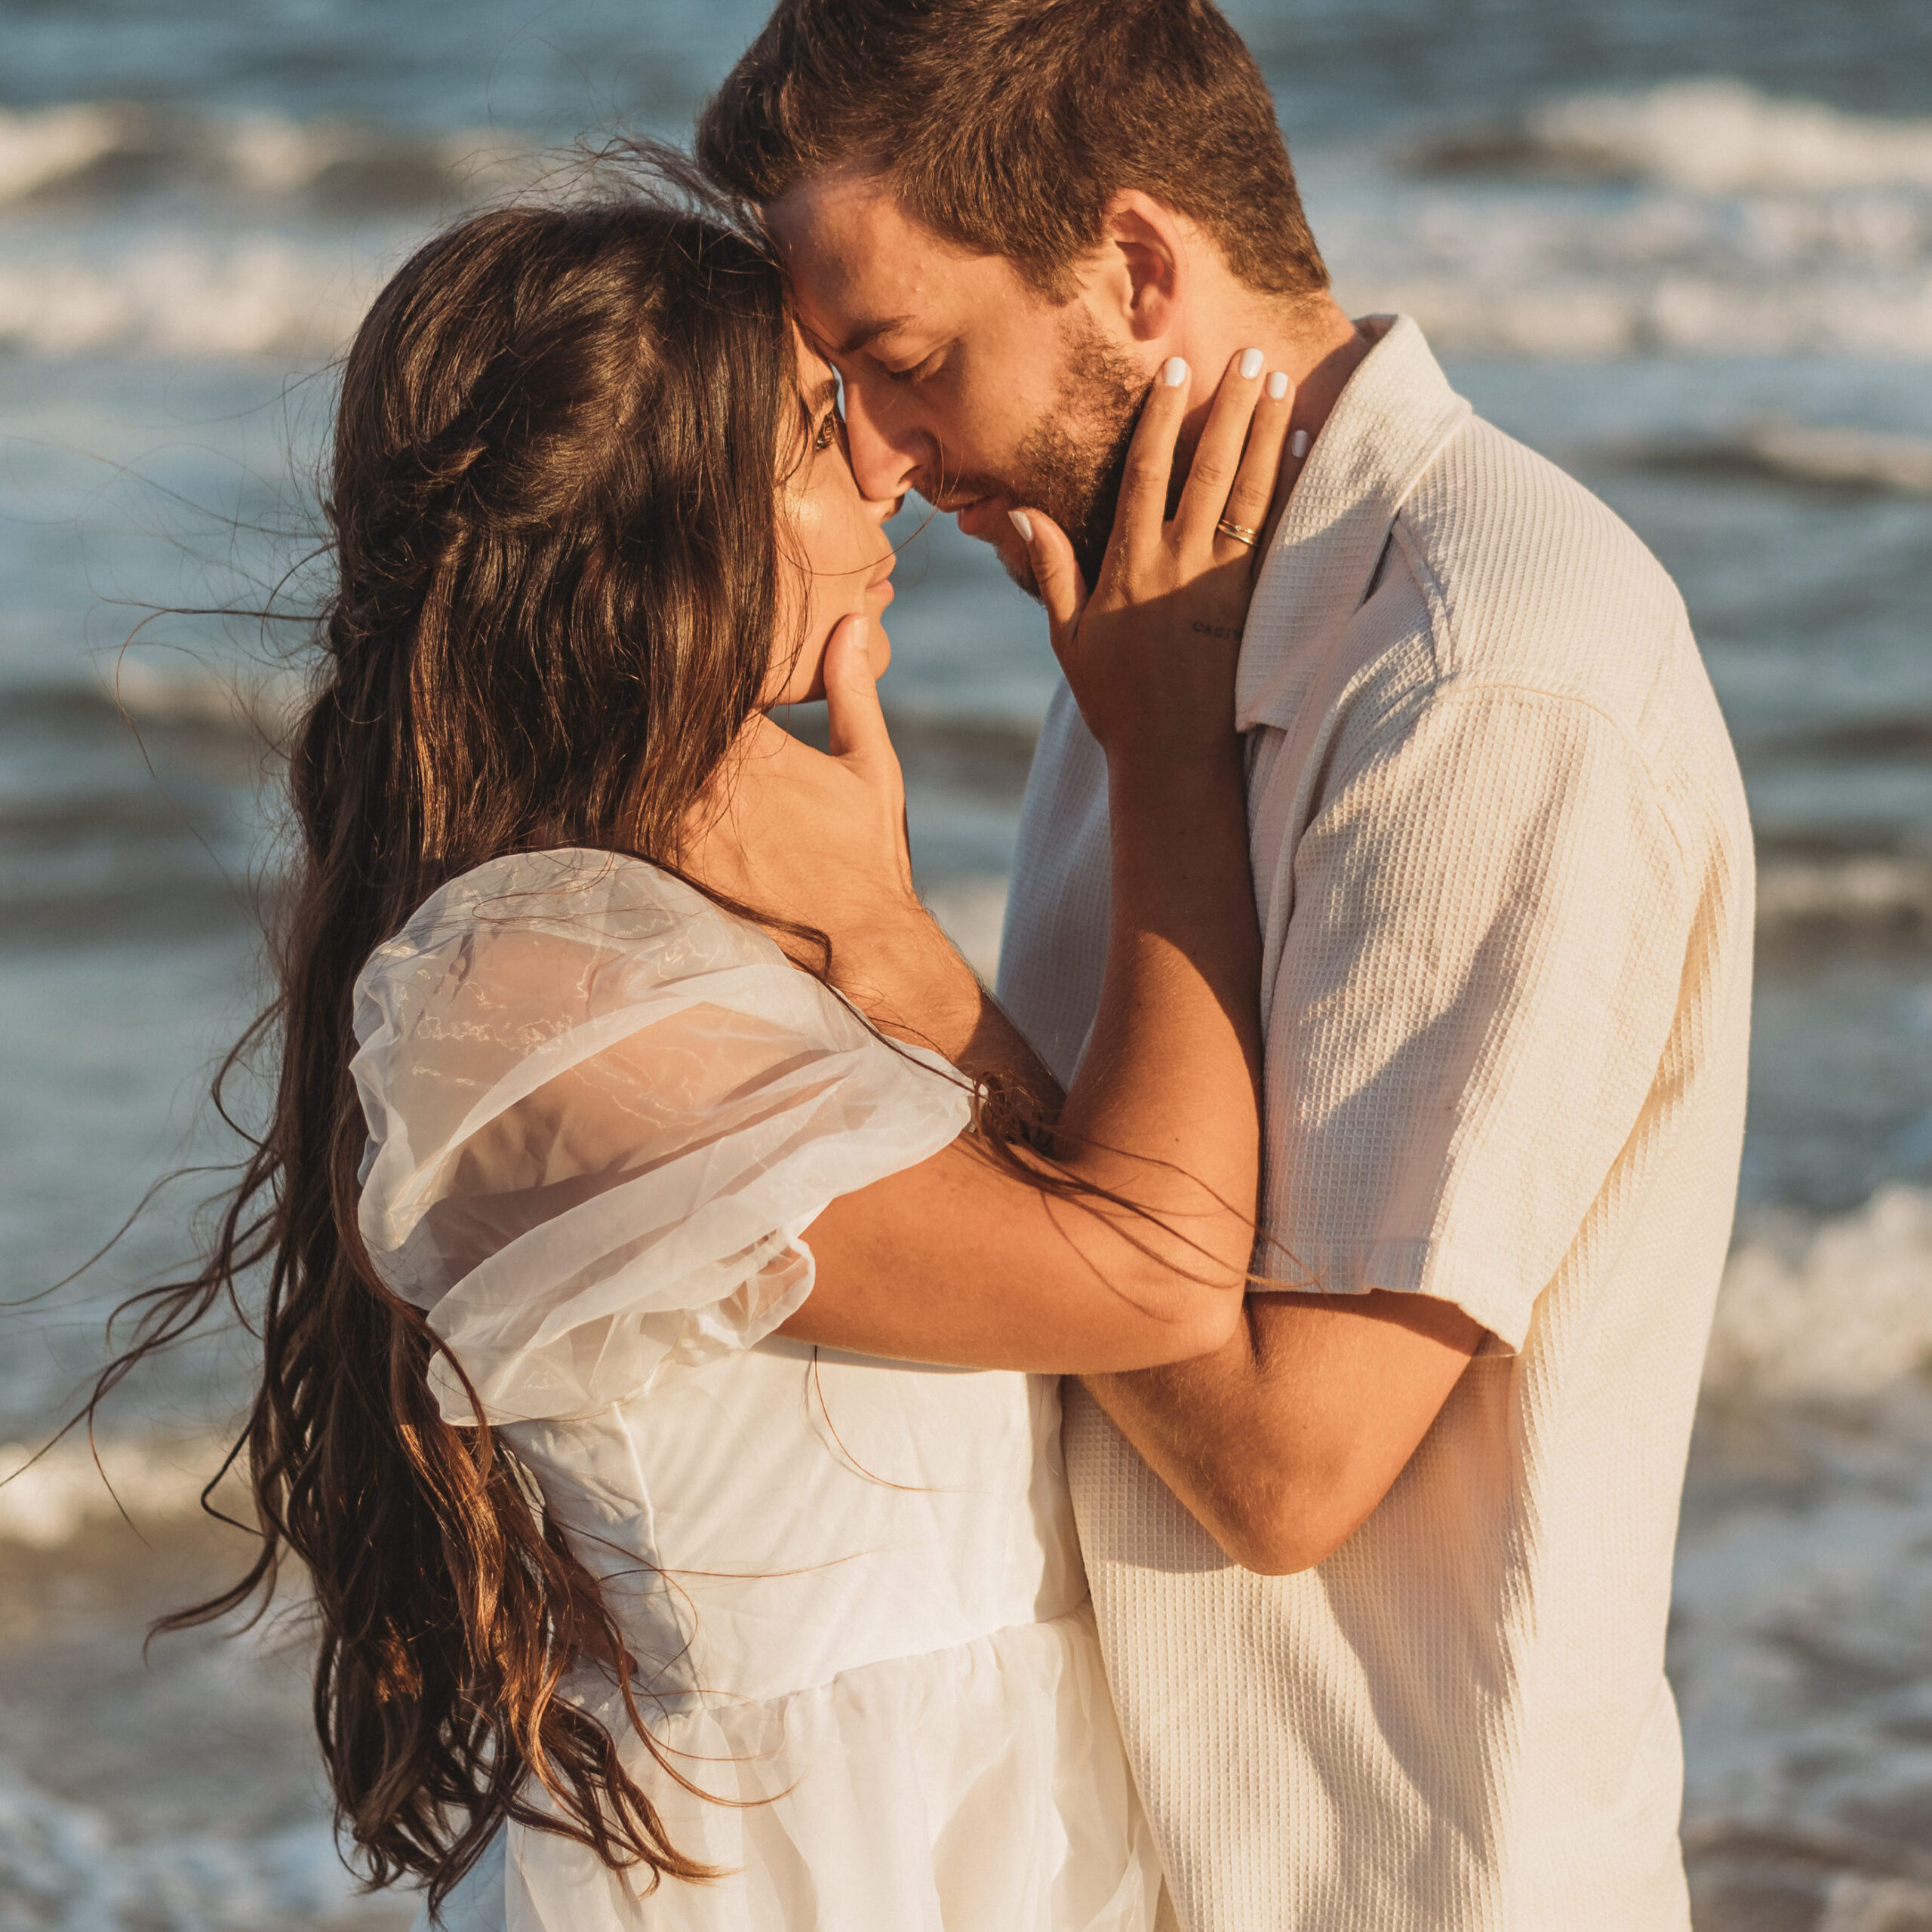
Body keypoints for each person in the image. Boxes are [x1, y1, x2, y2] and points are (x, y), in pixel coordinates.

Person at [93, 173, 1309, 1932]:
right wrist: (1164, 750)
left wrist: (882, 934)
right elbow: (1153, 1269)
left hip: (962, 1839)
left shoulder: (671, 923)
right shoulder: (522, 1000)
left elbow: (1095, 1246)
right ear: (659, 534)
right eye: (819, 430)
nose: (887, 463)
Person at [696, 2, 1756, 1927]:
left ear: (1130, 264)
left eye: (905, 358)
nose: (872, 446)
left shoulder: (1481, 668)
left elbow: (1284, 1470)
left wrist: (888, 945)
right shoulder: (1164, 617)